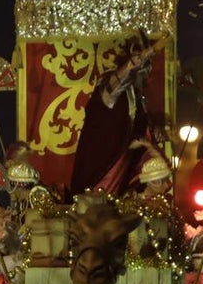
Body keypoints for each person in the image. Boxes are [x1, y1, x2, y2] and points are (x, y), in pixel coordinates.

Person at [68, 30, 167, 198]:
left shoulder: (137, 96)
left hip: (125, 165)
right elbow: (117, 82)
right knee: (97, 204)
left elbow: (140, 126)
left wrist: (155, 131)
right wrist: (148, 53)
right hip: (102, 161)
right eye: (143, 68)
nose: (145, 75)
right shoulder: (111, 83)